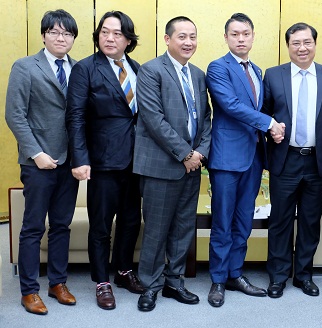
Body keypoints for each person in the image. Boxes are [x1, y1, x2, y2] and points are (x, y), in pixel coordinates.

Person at [205, 13, 284, 307]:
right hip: (226, 158)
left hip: (252, 157)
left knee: (243, 222)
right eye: (235, 34)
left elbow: (258, 107)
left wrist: (274, 127)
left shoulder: (257, 70)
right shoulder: (218, 67)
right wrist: (269, 123)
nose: (241, 39)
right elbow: (230, 105)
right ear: (226, 38)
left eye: (246, 34)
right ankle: (217, 279)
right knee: (223, 222)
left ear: (253, 36)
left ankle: (235, 273)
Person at [66, 11, 144, 310]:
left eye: (118, 33)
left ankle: (123, 271)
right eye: (105, 32)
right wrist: (80, 158)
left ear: (128, 40)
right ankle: (101, 281)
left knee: (130, 221)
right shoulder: (86, 69)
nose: (110, 38)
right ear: (98, 35)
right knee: (101, 225)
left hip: (136, 161)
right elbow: (75, 117)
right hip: (102, 161)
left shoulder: (136, 68)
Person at [133, 16, 212, 312]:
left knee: (183, 227)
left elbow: (205, 118)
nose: (188, 42)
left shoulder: (199, 74)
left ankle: (174, 281)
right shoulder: (151, 71)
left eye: (192, 36)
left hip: (193, 165)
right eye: (182, 36)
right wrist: (185, 154)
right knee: (156, 228)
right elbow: (153, 119)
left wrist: (200, 152)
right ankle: (150, 285)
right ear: (168, 39)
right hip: (161, 165)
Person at [263, 22, 322, 298]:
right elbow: (263, 115)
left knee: (311, 222)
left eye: (307, 42)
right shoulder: (273, 76)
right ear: (287, 46)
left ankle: (304, 275)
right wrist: (270, 132)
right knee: (280, 221)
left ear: (315, 43)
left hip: (317, 162)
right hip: (284, 159)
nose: (302, 47)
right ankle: (277, 277)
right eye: (295, 43)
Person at [5, 9, 79, 316]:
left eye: (67, 34)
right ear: (44, 34)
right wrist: (36, 153)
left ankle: (58, 283)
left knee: (62, 225)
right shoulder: (24, 67)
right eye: (55, 32)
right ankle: (30, 290)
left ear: (73, 38)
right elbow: (15, 115)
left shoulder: (79, 69)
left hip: (69, 162)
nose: (61, 38)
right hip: (38, 162)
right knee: (33, 228)